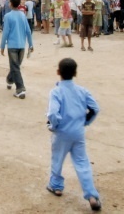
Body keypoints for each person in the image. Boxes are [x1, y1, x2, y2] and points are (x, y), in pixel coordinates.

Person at [46, 58, 101, 212]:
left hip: (62, 132)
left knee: (57, 159)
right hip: (78, 132)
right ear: (75, 73)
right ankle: (92, 196)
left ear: (58, 72)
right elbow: (95, 108)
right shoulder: (83, 91)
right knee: (83, 163)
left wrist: (53, 126)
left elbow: (52, 113)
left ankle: (56, 186)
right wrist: (85, 122)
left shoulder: (56, 91)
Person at [0, 0, 33, 99]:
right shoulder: (23, 15)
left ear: (10, 4)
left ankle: (20, 88)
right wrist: (31, 44)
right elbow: (28, 31)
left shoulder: (8, 16)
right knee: (16, 66)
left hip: (12, 46)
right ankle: (11, 81)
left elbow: (5, 33)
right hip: (21, 45)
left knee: (15, 66)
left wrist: (2, 46)